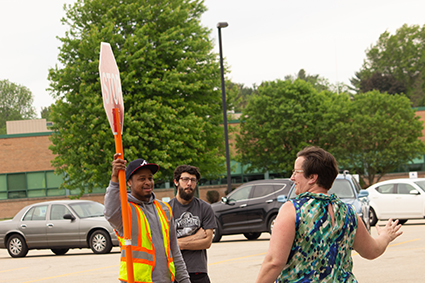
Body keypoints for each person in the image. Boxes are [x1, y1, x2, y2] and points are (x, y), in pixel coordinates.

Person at [255, 146, 403, 283]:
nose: (292, 178)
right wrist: (386, 236)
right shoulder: (349, 213)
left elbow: (274, 262)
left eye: (296, 172)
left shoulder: (292, 209)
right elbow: (372, 251)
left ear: (312, 177)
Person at [104, 153, 190, 283]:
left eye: (150, 178)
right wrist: (115, 177)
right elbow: (110, 212)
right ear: (129, 182)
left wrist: (185, 280)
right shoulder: (124, 210)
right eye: (141, 178)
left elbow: (174, 251)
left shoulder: (164, 209)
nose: (148, 182)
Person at [168, 165, 216, 283]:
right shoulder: (166, 210)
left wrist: (178, 244)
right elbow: (165, 245)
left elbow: (207, 242)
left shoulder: (205, 208)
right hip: (174, 273)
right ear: (176, 182)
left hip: (198, 273)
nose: (189, 183)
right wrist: (196, 237)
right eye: (185, 179)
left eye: (193, 180)